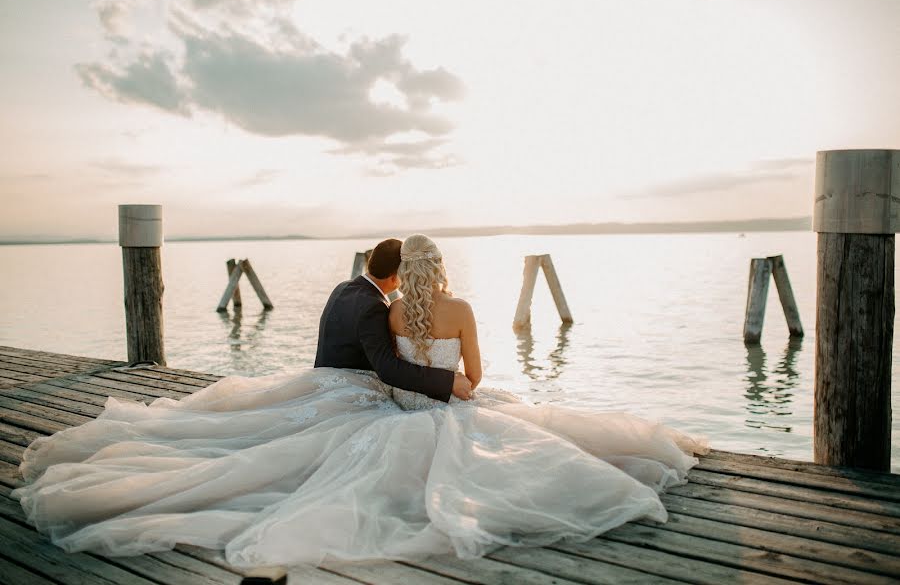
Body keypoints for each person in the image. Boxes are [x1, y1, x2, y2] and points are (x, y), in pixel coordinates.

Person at [12, 234, 707, 568]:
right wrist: (457, 388)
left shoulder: (370, 298)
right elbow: (398, 367)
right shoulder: (413, 311)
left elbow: (386, 360)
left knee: (256, 450)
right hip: (399, 395)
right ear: (402, 272)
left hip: (350, 392)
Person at [315, 238, 473, 402]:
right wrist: (448, 381)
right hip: (349, 395)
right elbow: (388, 369)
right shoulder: (374, 306)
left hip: (322, 383)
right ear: (395, 277)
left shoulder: (343, 287)